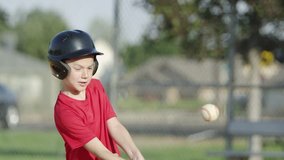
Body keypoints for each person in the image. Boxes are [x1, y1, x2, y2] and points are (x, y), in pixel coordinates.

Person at [48, 29, 144, 160]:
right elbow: (102, 152)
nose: (85, 75)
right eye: (78, 68)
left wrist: (135, 154)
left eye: (89, 67)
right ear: (59, 68)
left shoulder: (96, 87)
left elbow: (114, 125)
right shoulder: (64, 111)